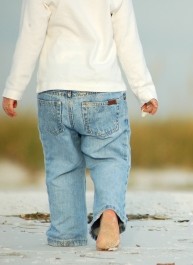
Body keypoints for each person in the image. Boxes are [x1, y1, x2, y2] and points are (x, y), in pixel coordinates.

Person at [2, 0, 158, 251]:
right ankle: (108, 214)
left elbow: (30, 34)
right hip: (102, 89)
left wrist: (14, 88)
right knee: (109, 158)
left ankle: (66, 232)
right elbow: (128, 38)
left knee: (62, 165)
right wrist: (145, 90)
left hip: (54, 90)